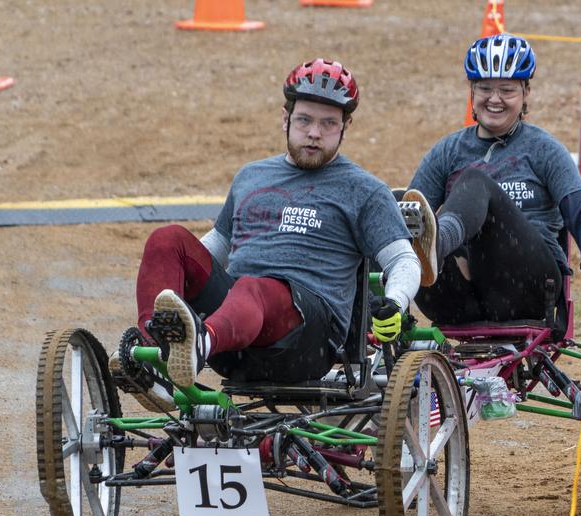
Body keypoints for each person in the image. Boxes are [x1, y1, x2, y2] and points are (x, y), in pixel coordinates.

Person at [113, 58, 422, 412]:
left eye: (328, 124)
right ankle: (157, 362)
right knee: (167, 239)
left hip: (305, 342)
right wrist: (176, 271)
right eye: (305, 120)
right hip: (233, 339)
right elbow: (218, 245)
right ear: (285, 118)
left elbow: (403, 260)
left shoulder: (364, 190)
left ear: (345, 126)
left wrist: (395, 303)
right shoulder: (251, 176)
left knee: (255, 286)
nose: (314, 133)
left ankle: (201, 343)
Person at [395, 33, 581, 330]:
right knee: (397, 204)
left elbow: (580, 209)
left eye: (507, 90)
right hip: (459, 301)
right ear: (472, 92)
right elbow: (412, 215)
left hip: (525, 290)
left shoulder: (543, 149)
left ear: (526, 93)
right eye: (484, 88)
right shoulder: (447, 151)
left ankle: (437, 247)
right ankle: (410, 274)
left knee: (476, 183)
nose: (494, 99)